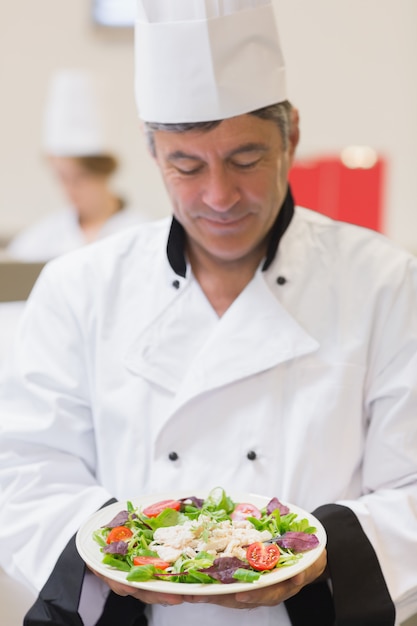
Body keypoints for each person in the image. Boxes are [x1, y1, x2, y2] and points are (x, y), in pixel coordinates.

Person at [0, 1, 416, 625]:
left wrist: (318, 557)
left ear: (291, 135)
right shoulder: (78, 286)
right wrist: (123, 553)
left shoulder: (386, 282)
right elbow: (24, 468)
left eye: (246, 160)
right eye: (187, 166)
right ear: (152, 153)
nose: (219, 197)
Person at [7, 69, 149, 262]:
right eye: (62, 178)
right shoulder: (42, 238)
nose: (70, 189)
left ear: (103, 172)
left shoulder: (139, 233)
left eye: (80, 177)